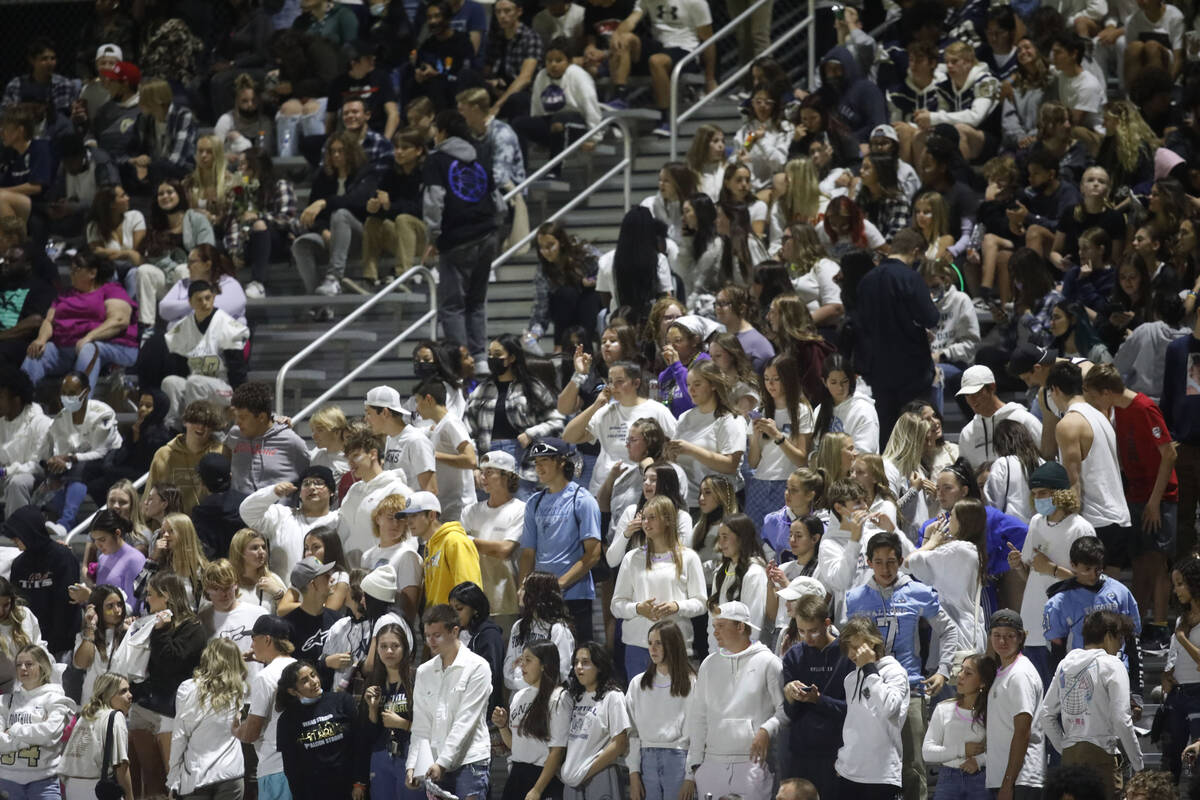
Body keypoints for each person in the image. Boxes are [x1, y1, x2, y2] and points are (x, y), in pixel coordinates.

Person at [845, 531, 960, 800]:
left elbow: (949, 631)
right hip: (868, 690)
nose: (885, 568)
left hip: (910, 688)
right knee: (870, 764)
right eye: (879, 561)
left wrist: (943, 670)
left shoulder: (918, 593)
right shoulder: (855, 598)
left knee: (912, 766)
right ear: (869, 562)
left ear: (900, 561)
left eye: (892, 561)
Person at [1083, 364, 1179, 652]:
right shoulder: (1117, 412)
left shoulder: (1145, 407)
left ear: (1106, 392)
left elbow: (1169, 453)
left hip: (1159, 496)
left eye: (1093, 396)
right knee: (1138, 560)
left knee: (1158, 560)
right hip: (1135, 493)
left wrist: (1154, 500)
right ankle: (1134, 626)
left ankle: (1160, 626)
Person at [1004, 462, 1094, 683]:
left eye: (1043, 493)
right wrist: (1018, 566)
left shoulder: (1080, 528)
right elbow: (1032, 575)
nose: (1038, 499)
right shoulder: (1036, 522)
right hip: (1032, 625)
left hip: (1063, 629)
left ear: (1060, 493)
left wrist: (1052, 569)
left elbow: (1090, 581)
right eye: (1034, 494)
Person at [1040, 609, 1143, 799]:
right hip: (1101, 756)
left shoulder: (1065, 664)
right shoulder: (1112, 664)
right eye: (1119, 636)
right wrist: (1138, 764)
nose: (1121, 643)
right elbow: (1121, 719)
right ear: (1108, 635)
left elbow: (1046, 715)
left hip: (1070, 758)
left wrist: (1065, 746)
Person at [685, 601, 782, 800]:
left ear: (740, 626)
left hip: (752, 765)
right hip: (712, 764)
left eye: (721, 626)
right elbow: (698, 716)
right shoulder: (708, 664)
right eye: (714, 627)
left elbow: (784, 710)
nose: (715, 632)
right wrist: (695, 765)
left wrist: (766, 730)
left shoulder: (769, 662)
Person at [423, 110, 500, 359]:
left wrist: (433, 237)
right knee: (476, 302)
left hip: (457, 239)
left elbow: (434, 202)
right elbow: (497, 200)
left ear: (443, 131)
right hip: (487, 234)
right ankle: (479, 359)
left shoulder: (436, 160)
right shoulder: (480, 156)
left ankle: (460, 360)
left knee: (453, 306)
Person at [852, 228, 940, 441]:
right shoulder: (910, 278)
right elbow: (930, 318)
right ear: (916, 251)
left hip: (878, 371)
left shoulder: (867, 281)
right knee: (918, 433)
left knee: (888, 435)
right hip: (912, 370)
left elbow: (859, 324)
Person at [1046, 362, 1133, 568]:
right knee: (1109, 593)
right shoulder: (1101, 416)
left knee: (1088, 593)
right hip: (1119, 516)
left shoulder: (1068, 424)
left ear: (1055, 390)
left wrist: (1066, 525)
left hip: (1094, 520)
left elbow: (1073, 482)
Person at [611, 494, 706, 677]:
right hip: (638, 645)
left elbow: (701, 603)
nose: (646, 522)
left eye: (652, 517)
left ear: (668, 520)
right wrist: (638, 608)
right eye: (644, 517)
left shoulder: (689, 557)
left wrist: (677, 606)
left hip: (676, 644)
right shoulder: (632, 558)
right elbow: (616, 606)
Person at [130, 572, 207, 797]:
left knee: (172, 776)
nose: (147, 600)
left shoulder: (193, 628)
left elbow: (170, 662)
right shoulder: (151, 622)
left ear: (166, 597)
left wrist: (161, 631)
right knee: (149, 775)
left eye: (151, 595)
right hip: (145, 704)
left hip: (171, 710)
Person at [519, 438, 602, 642]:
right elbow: (528, 552)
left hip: (575, 596)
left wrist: (559, 584)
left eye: (544, 460)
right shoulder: (533, 503)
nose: (538, 467)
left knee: (576, 659)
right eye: (536, 462)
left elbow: (593, 554)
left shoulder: (583, 500)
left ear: (562, 461)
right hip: (540, 597)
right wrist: (523, 587)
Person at [405, 604, 493, 800]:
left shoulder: (478, 667)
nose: (430, 641)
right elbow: (421, 726)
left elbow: (465, 721)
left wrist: (442, 762)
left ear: (455, 631)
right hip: (435, 764)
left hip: (470, 761)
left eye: (436, 635)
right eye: (427, 635)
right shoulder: (424, 671)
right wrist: (412, 765)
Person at [563, 361, 677, 498]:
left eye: (620, 381)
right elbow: (569, 436)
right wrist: (596, 405)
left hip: (639, 492)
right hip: (602, 489)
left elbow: (675, 447)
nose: (613, 386)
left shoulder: (657, 410)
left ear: (636, 383)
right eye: (610, 381)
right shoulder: (605, 411)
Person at [779, 595, 852, 799]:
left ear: (827, 624)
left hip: (837, 752)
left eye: (813, 631)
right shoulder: (793, 656)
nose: (807, 638)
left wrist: (819, 700)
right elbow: (789, 713)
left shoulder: (847, 654)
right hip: (802, 751)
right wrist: (790, 695)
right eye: (801, 631)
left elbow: (854, 711)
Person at [833, 616, 909, 798]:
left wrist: (869, 669)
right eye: (849, 647)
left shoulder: (894, 671)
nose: (853, 653)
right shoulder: (850, 679)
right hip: (848, 771)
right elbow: (852, 725)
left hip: (881, 775)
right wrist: (842, 762)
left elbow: (890, 707)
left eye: (857, 646)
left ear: (873, 642)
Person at [168, 637, 248, 799]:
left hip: (197, 776)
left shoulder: (187, 688)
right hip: (231, 773)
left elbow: (179, 737)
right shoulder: (239, 689)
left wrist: (173, 779)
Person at [276, 660, 368, 800]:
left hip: (349, 787)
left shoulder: (342, 701)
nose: (313, 682)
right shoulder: (287, 719)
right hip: (314, 792)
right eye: (304, 680)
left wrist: (359, 782)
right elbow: (292, 767)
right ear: (293, 691)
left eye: (313, 675)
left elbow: (360, 745)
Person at [625, 620, 694, 800]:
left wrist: (690, 775)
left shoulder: (691, 682)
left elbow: (697, 731)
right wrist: (633, 773)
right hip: (645, 760)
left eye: (658, 643)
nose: (652, 648)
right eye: (650, 643)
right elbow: (631, 732)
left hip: (678, 759)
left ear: (672, 645)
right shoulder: (637, 683)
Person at [493, 639, 569, 800]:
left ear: (543, 665)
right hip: (517, 774)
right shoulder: (519, 696)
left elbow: (557, 751)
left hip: (543, 777)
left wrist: (537, 789)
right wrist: (502, 726)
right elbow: (516, 745)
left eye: (528, 660)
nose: (522, 665)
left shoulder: (559, 698)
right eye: (521, 660)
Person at [239, 465, 340, 587]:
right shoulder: (283, 516)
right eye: (306, 483)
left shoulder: (338, 520)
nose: (312, 487)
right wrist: (272, 493)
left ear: (331, 492)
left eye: (319, 483)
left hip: (328, 598)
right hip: (281, 597)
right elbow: (247, 511)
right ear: (300, 494)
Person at [0, 644, 79, 799]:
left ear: (42, 667)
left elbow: (49, 735)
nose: (23, 668)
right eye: (19, 665)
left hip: (44, 782)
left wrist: (14, 731)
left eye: (29, 664)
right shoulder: (4, 701)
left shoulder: (57, 699)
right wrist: (34, 738)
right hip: (6, 781)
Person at [231, 615, 296, 800]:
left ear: (267, 639)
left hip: (275, 769)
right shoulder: (300, 668)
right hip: (302, 764)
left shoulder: (264, 677)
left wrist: (235, 728)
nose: (251, 646)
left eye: (253, 639)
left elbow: (251, 733)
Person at [462, 450, 526, 631]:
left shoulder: (520, 510)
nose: (483, 477)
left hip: (505, 601)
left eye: (490, 472)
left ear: (507, 476)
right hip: (472, 601)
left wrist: (467, 540)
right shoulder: (470, 511)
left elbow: (505, 550)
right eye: (482, 472)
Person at [5, 504, 80, 655]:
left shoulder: (63, 557)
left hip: (63, 646)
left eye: (16, 536)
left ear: (29, 532)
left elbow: (67, 605)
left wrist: (54, 644)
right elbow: (18, 605)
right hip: (29, 643)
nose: (14, 540)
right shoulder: (19, 564)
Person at [560, 641, 630, 800]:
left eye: (585, 662)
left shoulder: (613, 696)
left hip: (600, 773)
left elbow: (620, 743)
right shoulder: (574, 697)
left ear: (599, 666)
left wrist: (585, 771)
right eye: (576, 662)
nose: (578, 667)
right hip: (572, 779)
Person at [921, 653, 994, 800]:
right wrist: (962, 749)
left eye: (968, 673)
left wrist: (980, 761)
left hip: (981, 780)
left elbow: (1001, 748)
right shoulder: (944, 709)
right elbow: (927, 752)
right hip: (948, 779)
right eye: (961, 670)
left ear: (982, 683)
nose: (960, 676)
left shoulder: (992, 712)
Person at [60, 671, 134, 800]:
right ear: (108, 694)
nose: (130, 695)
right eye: (123, 691)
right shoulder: (115, 716)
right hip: (99, 789)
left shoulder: (86, 715)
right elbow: (121, 765)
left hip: (72, 787)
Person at [227, 382, 311, 496]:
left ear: (261, 417)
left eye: (242, 417)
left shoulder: (291, 441)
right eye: (236, 416)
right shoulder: (235, 434)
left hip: (277, 511)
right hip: (238, 510)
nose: (237, 422)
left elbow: (308, 476)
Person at [955, 365, 1044, 469]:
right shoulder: (967, 434)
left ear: (992, 387)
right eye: (967, 395)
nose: (972, 400)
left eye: (976, 393)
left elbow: (1045, 457)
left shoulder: (1023, 419)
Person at [414, 378, 476, 522]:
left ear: (428, 399)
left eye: (418, 401)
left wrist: (434, 455)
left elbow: (471, 460)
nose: (416, 408)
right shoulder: (440, 426)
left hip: (459, 507)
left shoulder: (451, 423)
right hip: (448, 506)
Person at [504, 571, 576, 691]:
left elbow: (559, 672)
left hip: (546, 700)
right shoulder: (518, 626)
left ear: (537, 594)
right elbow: (508, 670)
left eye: (523, 589)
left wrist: (523, 680)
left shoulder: (558, 629)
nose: (518, 592)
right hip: (518, 701)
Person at [282, 557, 340, 688]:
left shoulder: (337, 619)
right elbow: (289, 673)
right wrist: (324, 664)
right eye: (326, 576)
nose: (332, 578)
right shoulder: (287, 627)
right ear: (313, 584)